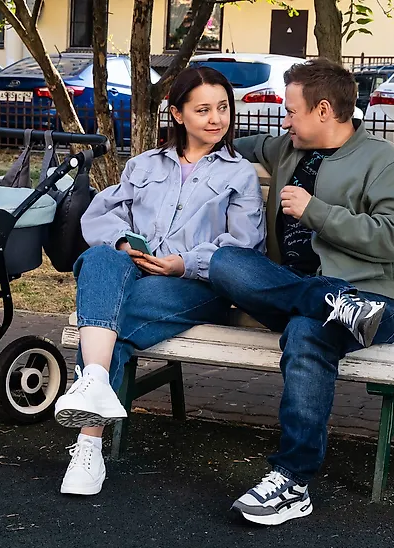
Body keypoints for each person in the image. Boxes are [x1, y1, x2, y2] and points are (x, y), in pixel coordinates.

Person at [207, 58, 394, 526]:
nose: (284, 122)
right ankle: (327, 301)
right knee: (224, 263)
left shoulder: (384, 161)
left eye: (291, 111)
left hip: (375, 301)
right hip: (301, 293)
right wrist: (196, 140)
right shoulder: (288, 148)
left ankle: (292, 480)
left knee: (306, 333)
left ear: (323, 111)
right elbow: (236, 143)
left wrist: (315, 212)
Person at [52, 66, 266, 496]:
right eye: (202, 109)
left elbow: (244, 245)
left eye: (222, 108)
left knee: (107, 323)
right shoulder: (144, 164)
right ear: (177, 114)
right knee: (100, 256)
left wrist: (182, 263)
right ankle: (95, 389)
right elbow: (101, 215)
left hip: (197, 286)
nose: (216, 119)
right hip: (134, 273)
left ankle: (88, 439)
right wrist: (123, 243)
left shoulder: (238, 174)